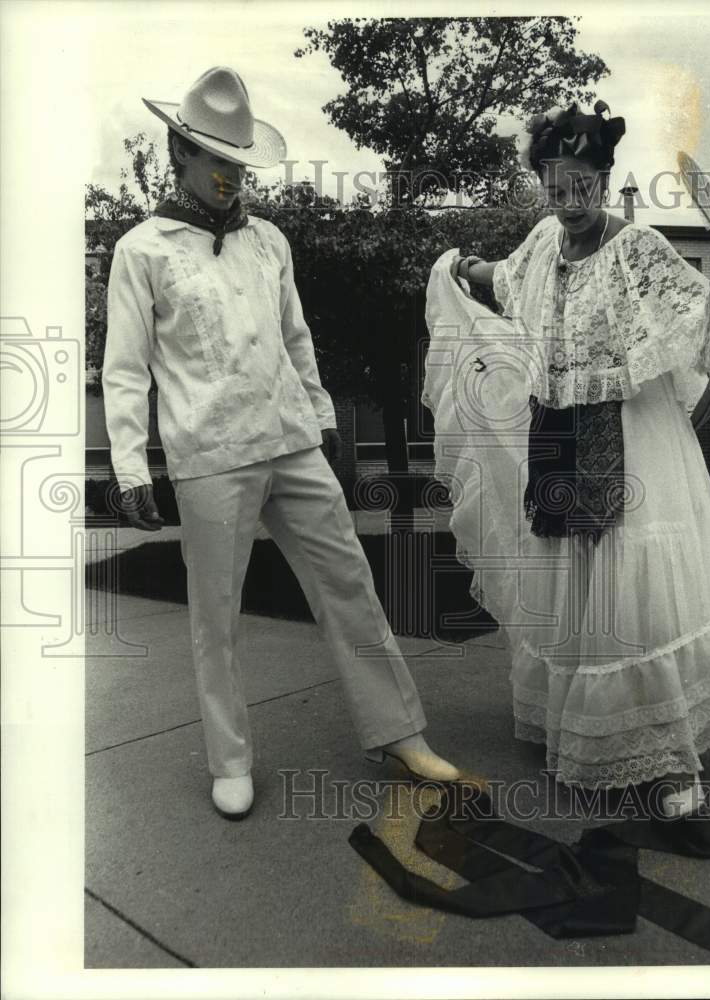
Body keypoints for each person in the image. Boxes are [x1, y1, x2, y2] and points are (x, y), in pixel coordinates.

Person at [102, 66, 461, 820]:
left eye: (238, 163)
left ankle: (400, 733)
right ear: (178, 155)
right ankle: (229, 761)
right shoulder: (143, 250)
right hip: (208, 456)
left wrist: (322, 417)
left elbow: (298, 341)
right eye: (215, 161)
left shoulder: (269, 242)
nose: (230, 176)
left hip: (292, 441)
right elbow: (125, 369)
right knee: (216, 618)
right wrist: (132, 466)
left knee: (350, 588)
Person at [423, 100, 710, 817]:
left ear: (603, 179)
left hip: (629, 444)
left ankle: (667, 762)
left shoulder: (636, 249)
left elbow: (698, 324)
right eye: (554, 182)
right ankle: (584, 729)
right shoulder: (543, 242)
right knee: (568, 586)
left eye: (582, 182)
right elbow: (505, 280)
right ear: (541, 182)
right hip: (555, 437)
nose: (568, 199)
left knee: (632, 585)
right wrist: (460, 265)